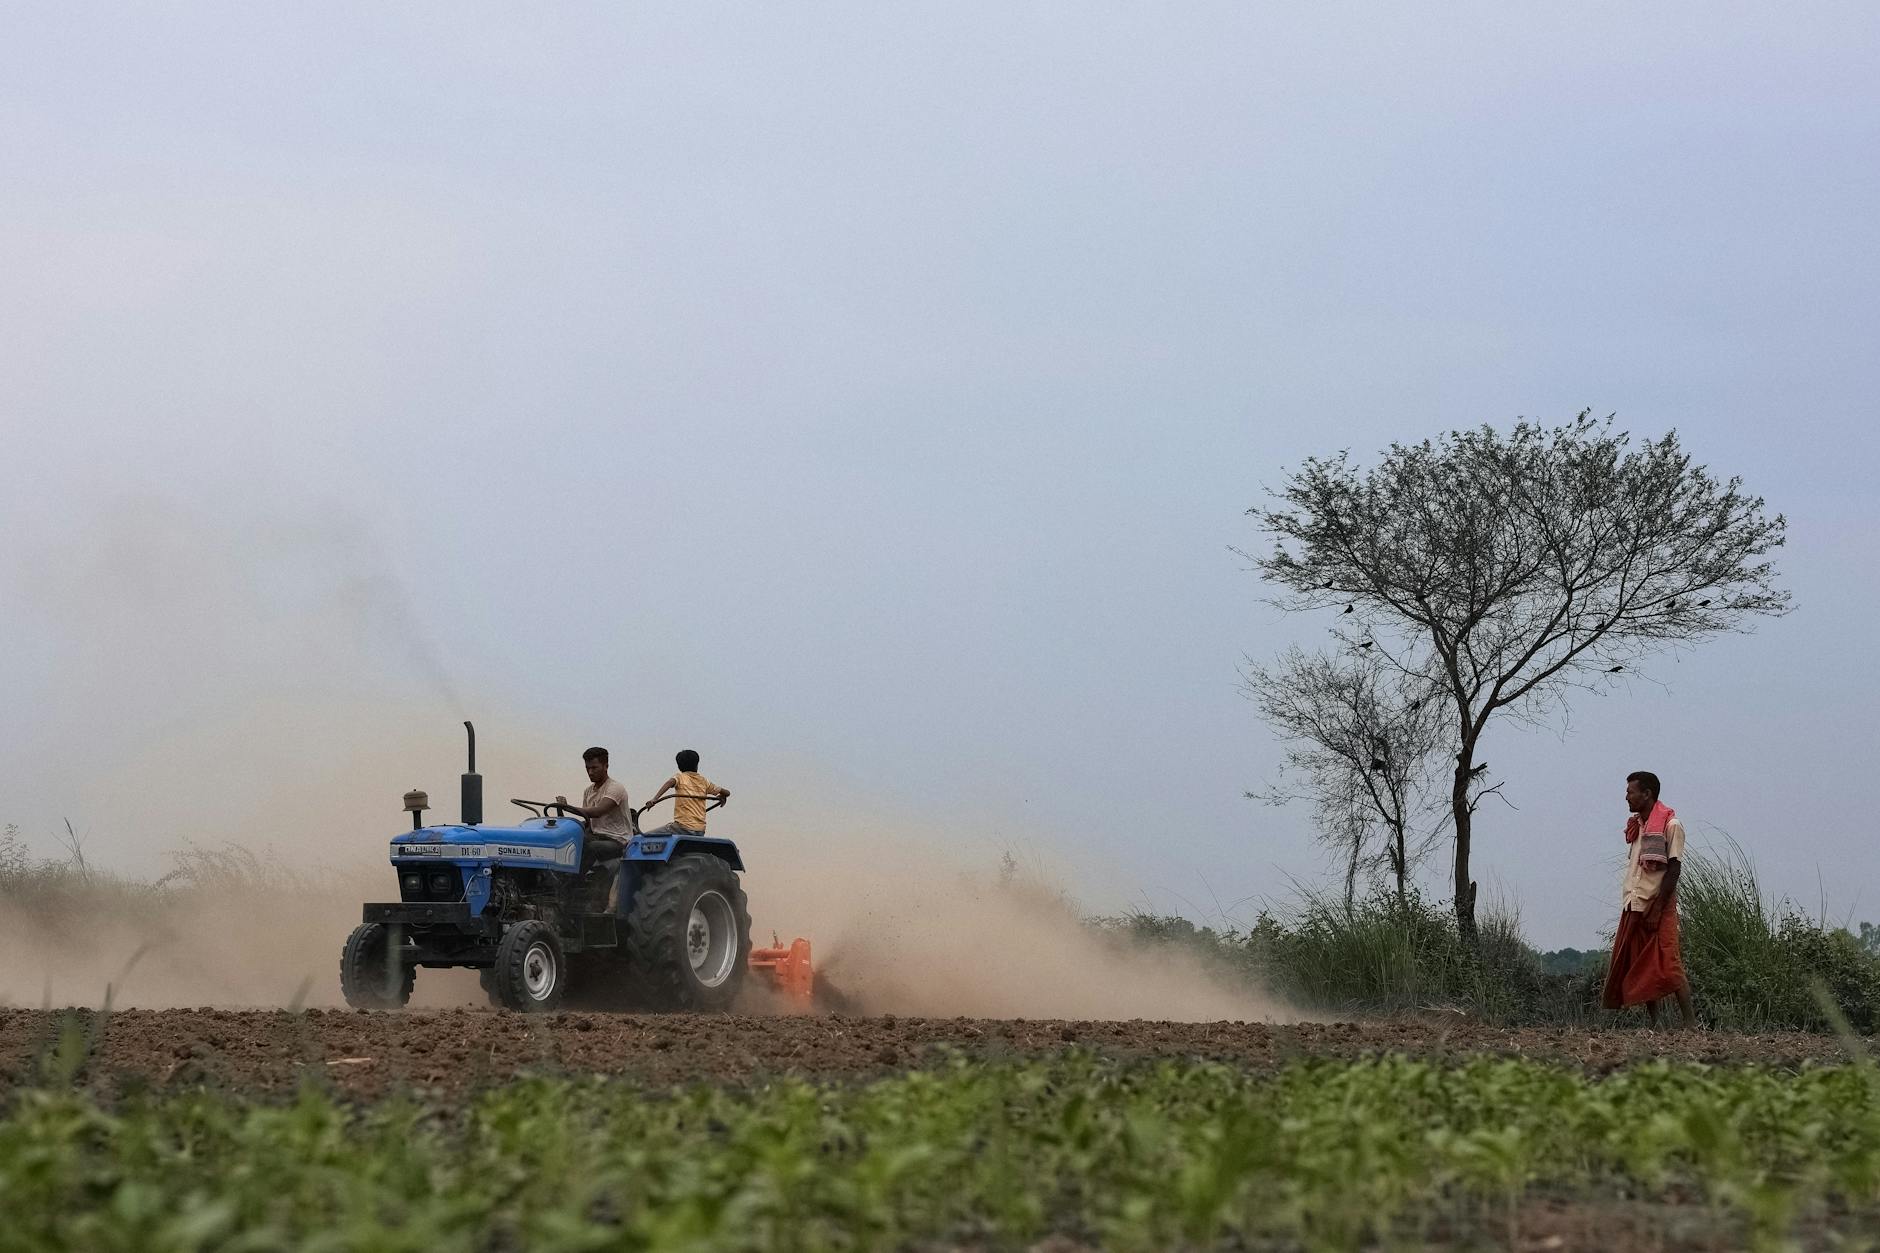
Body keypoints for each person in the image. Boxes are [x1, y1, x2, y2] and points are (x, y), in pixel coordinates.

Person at [1602, 769, 1697, 1028]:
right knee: (1641, 964)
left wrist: (1657, 908)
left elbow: (1674, 870)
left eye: (1630, 792)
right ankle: (1656, 1025)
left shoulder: (1671, 825)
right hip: (1634, 903)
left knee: (1670, 962)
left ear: (1647, 794)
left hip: (1658, 905)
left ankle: (1690, 1024)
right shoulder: (1637, 827)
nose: (1626, 797)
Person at [555, 746, 633, 868]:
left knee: (590, 848)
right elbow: (587, 818)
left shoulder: (615, 788)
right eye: (587, 768)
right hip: (596, 836)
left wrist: (568, 807)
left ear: (606, 766)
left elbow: (598, 812)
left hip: (616, 841)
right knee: (565, 838)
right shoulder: (588, 791)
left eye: (594, 768)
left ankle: (572, 879)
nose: (590, 772)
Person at [641, 748, 730, 835]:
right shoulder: (704, 781)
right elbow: (727, 792)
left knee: (646, 836)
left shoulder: (680, 777)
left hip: (682, 828)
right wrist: (723, 796)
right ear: (697, 765)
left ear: (679, 767)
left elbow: (669, 783)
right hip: (700, 830)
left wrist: (654, 799)